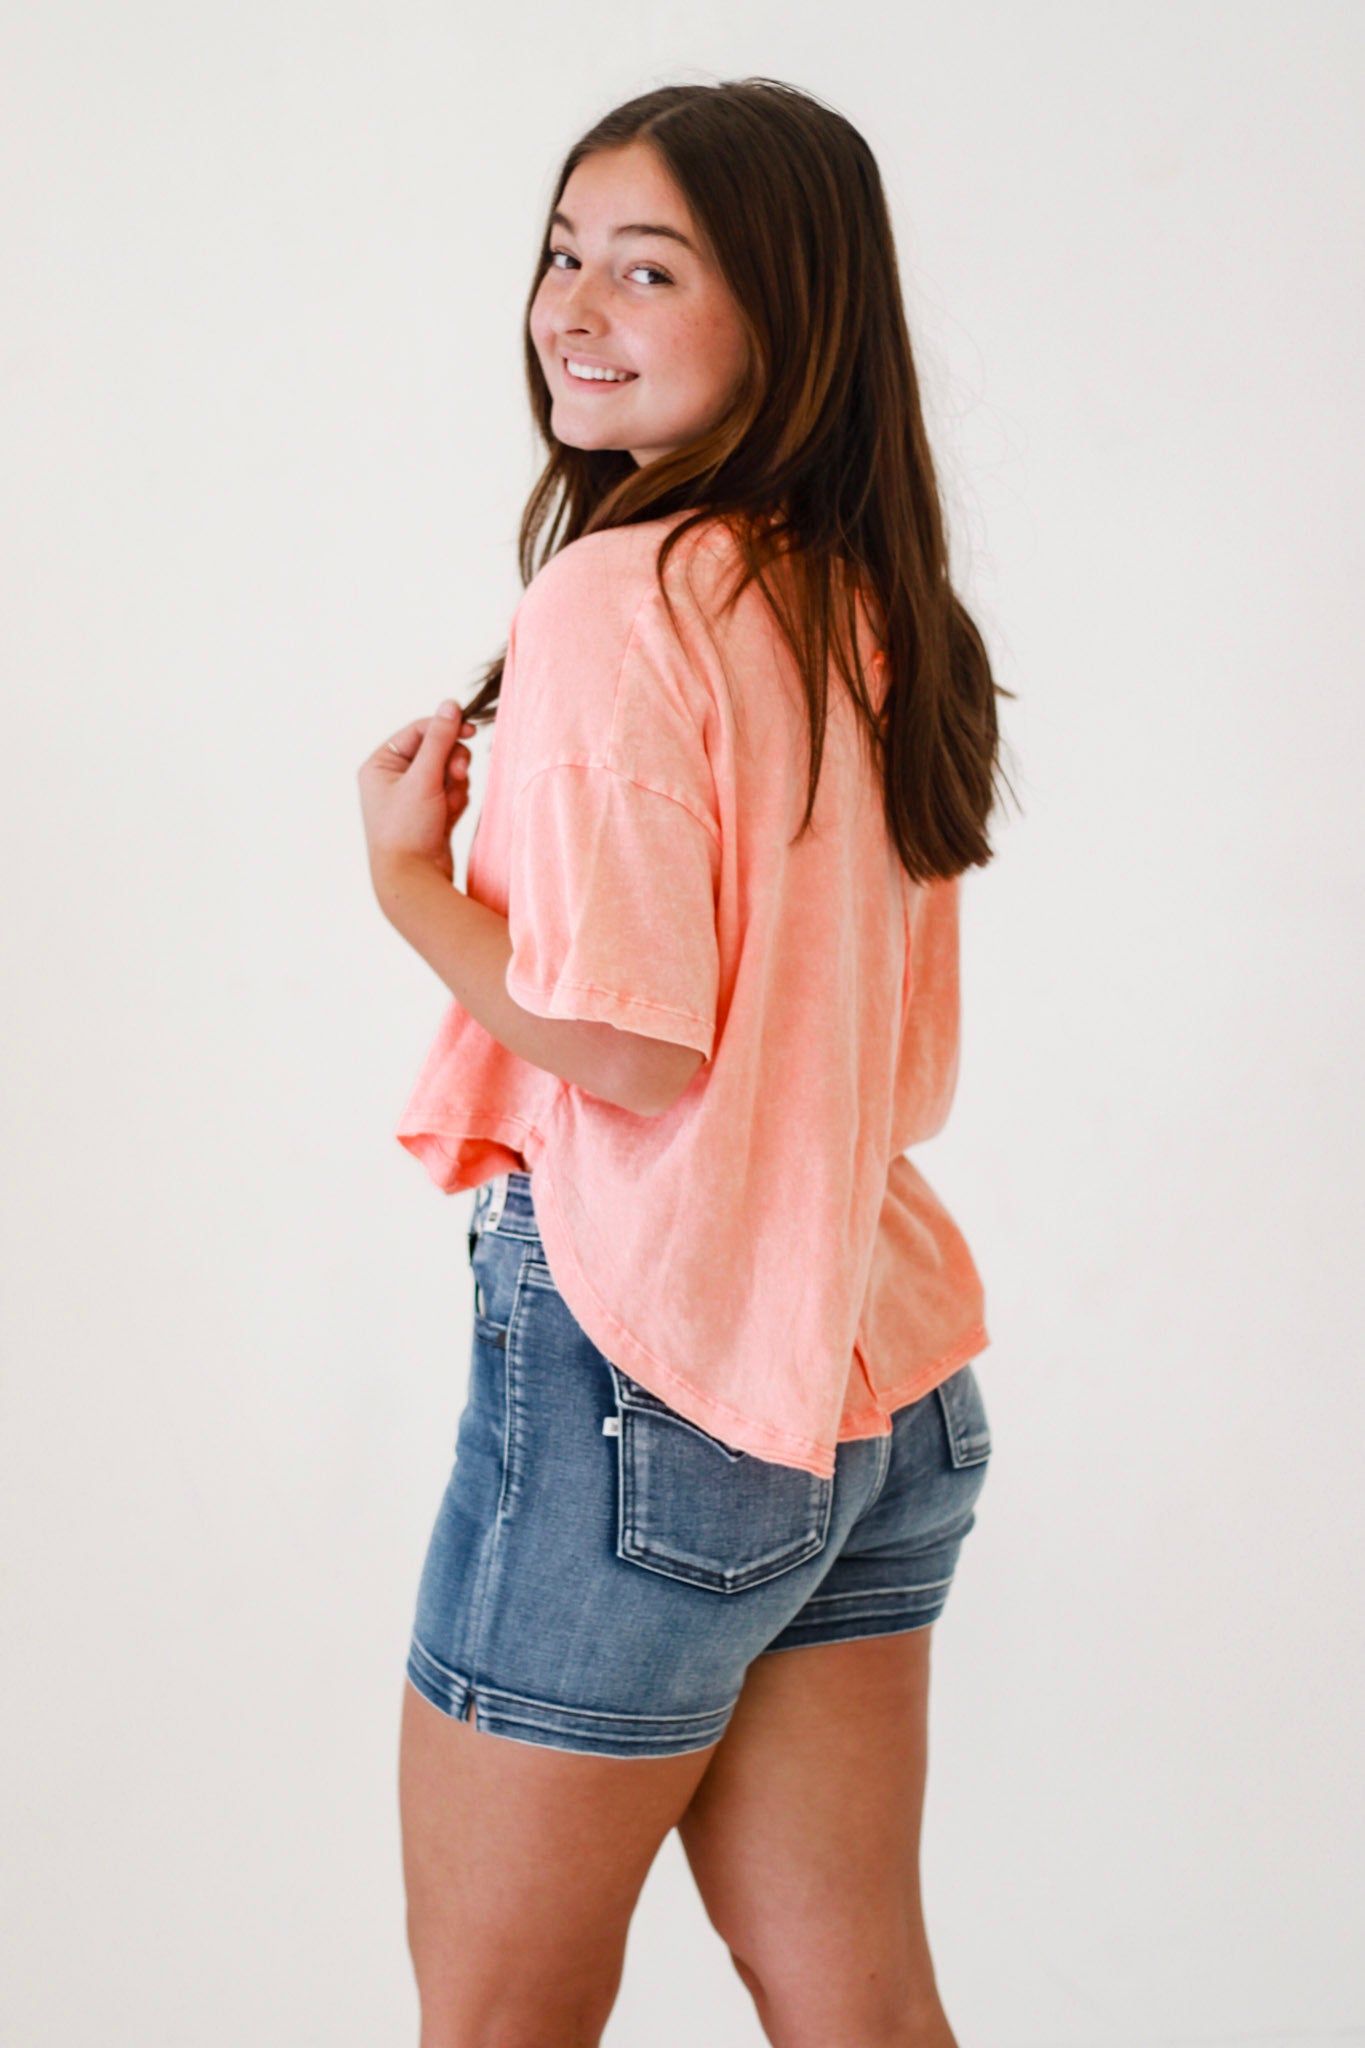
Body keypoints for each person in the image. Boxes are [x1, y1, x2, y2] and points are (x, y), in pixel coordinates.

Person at [356, 75, 1015, 2048]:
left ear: (785, 311)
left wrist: (407, 884)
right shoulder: (874, 599)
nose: (573, 308)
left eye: (647, 270)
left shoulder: (614, 596)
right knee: (859, 2002)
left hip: (650, 1377)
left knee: (498, 2017)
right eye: (564, 253)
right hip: (870, 1372)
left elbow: (630, 1049)